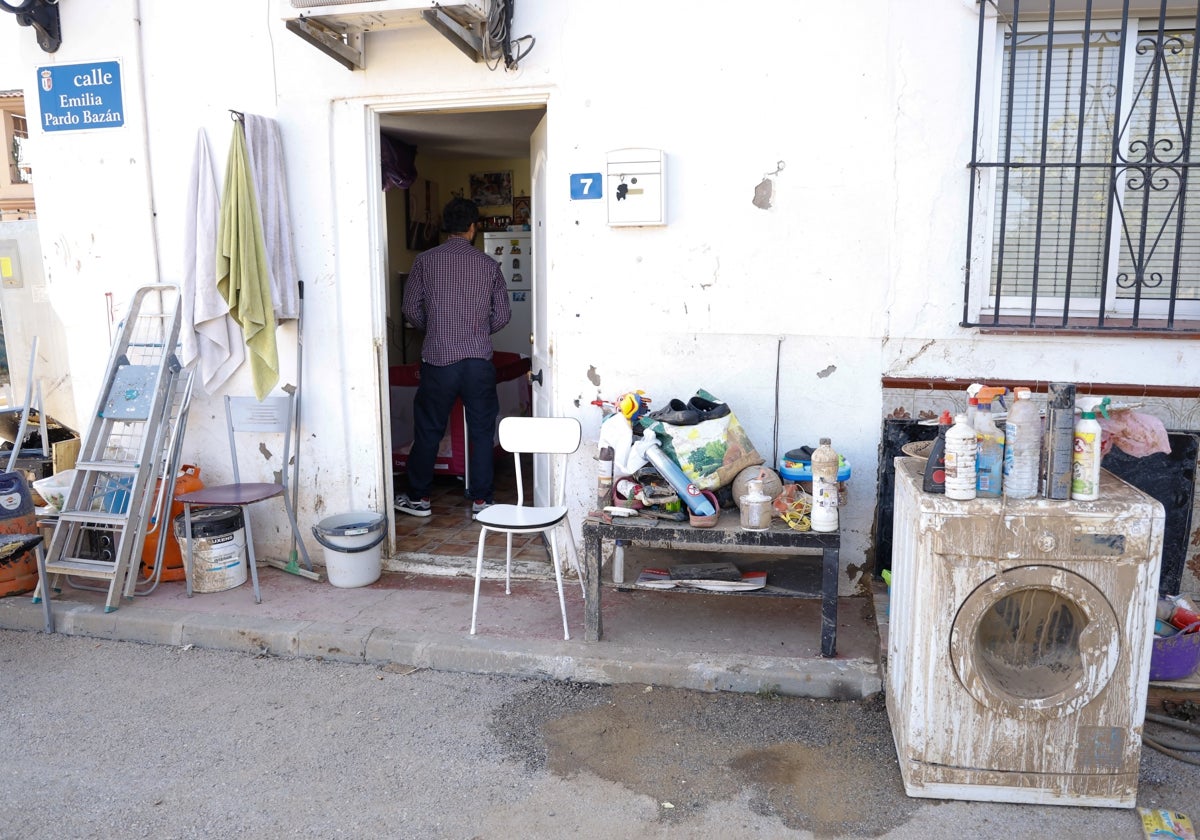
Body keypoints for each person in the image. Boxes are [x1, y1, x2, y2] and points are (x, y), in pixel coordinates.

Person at [395, 197, 512, 519]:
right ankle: (482, 501)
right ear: (473, 227)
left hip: (439, 359)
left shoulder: (425, 261)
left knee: (429, 429)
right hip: (477, 362)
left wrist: (432, 328)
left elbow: (409, 308)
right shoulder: (488, 265)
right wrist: (478, 332)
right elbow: (503, 314)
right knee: (481, 430)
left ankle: (419, 498)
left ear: (446, 226)